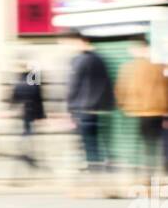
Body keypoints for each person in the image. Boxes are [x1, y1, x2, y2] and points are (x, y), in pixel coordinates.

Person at [114, 36, 168, 169]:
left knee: (146, 142)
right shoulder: (162, 66)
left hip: (136, 111)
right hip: (159, 110)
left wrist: (121, 104)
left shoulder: (128, 67)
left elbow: (120, 89)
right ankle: (159, 167)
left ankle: (147, 168)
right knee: (158, 142)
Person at [66, 34, 114, 171]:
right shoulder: (101, 59)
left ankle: (94, 168)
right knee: (98, 141)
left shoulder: (79, 60)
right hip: (101, 108)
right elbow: (107, 84)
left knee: (89, 142)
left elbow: (73, 85)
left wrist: (69, 107)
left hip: (84, 107)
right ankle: (100, 165)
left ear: (82, 42)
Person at [9, 65, 46, 169]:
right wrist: (41, 116)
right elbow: (39, 101)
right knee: (30, 133)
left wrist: (12, 110)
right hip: (32, 112)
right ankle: (29, 153)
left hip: (22, 113)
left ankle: (24, 149)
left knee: (26, 131)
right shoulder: (34, 84)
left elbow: (14, 100)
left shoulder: (18, 84)